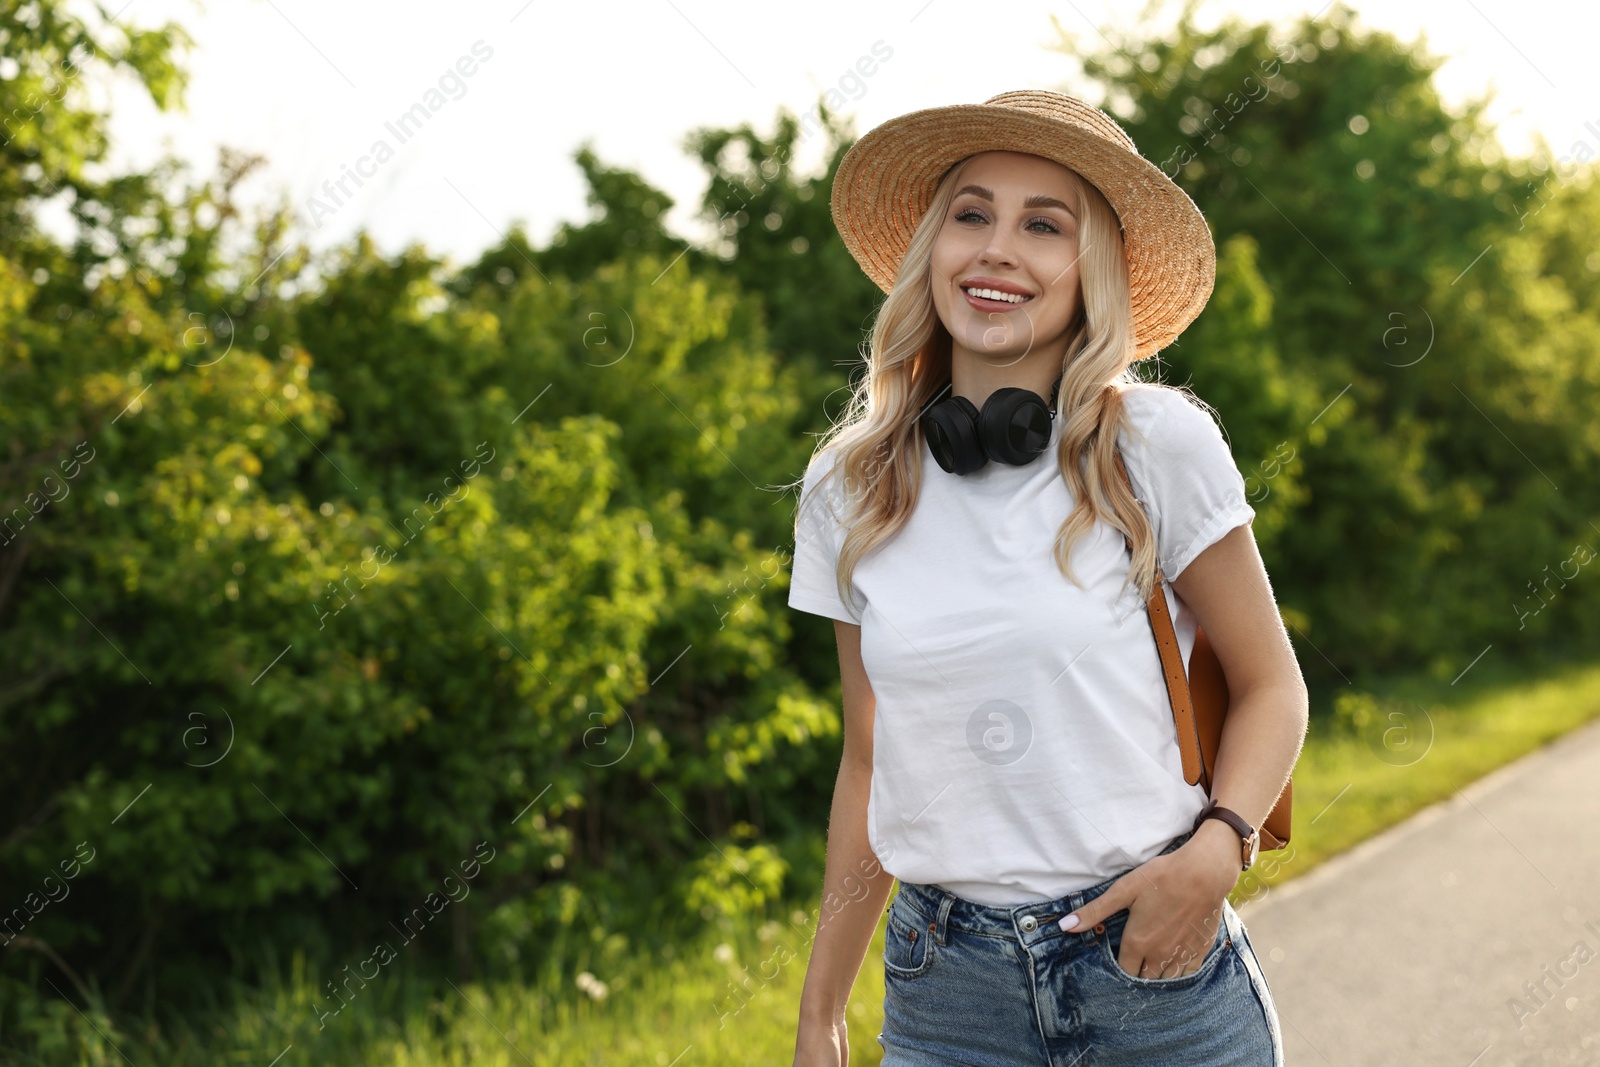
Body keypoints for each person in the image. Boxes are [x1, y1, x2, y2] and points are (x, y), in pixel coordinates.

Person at [785, 90, 1308, 1066]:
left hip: (1151, 963)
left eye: (1043, 224)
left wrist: (1217, 849)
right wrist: (820, 1011)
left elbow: (1273, 684)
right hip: (947, 994)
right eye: (970, 213)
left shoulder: (1156, 446)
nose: (996, 248)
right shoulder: (849, 483)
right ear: (930, 248)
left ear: (1089, 270)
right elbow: (869, 758)